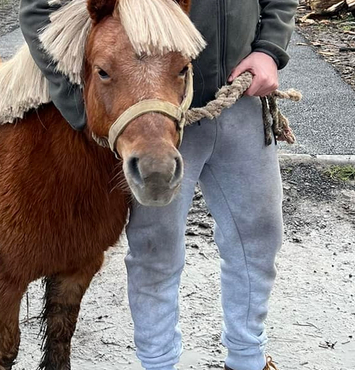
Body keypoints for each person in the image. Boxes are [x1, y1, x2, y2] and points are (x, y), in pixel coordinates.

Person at [20, 0, 297, 369]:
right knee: (155, 249)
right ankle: (158, 362)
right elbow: (38, 8)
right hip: (154, 119)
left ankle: (247, 357)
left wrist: (268, 50)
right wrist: (81, 107)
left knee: (258, 237)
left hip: (242, 102)